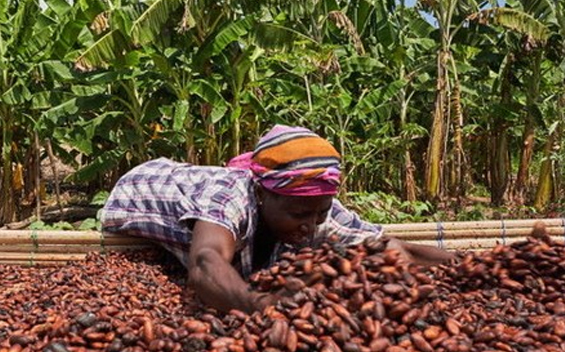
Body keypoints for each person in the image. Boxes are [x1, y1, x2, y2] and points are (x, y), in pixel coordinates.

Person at [99, 125, 455, 313]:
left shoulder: (314, 207)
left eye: (320, 212)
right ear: (261, 193)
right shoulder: (230, 197)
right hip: (141, 187)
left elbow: (389, 248)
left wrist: (475, 265)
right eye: (300, 213)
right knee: (228, 258)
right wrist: (259, 306)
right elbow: (206, 264)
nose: (311, 224)